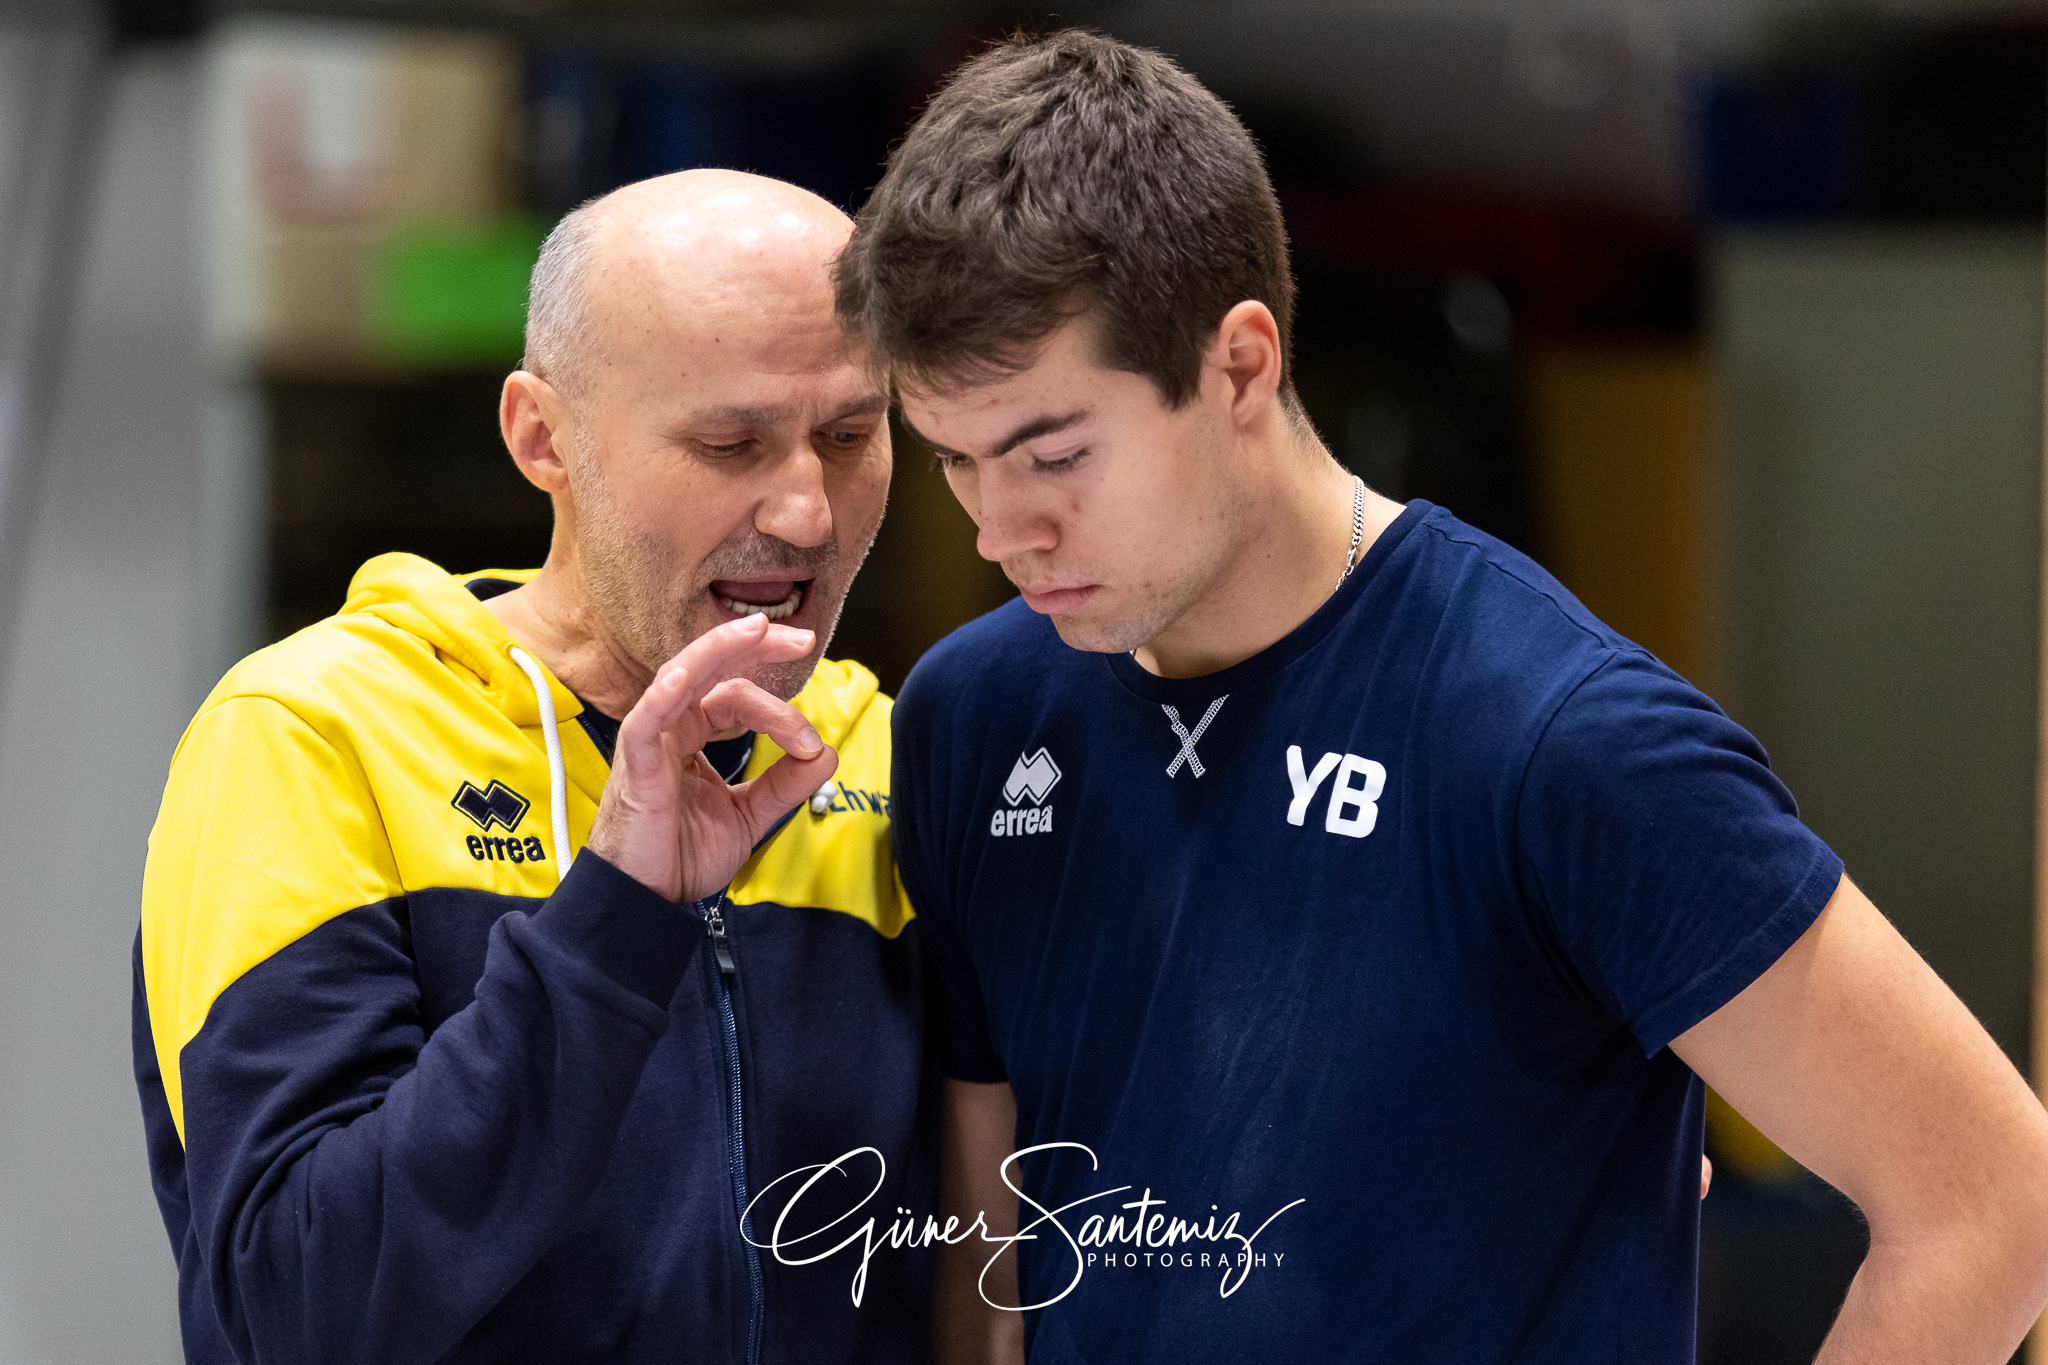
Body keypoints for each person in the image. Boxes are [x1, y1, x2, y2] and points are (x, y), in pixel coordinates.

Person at [834, 30, 2048, 1364]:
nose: (1004, 530)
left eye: (1052, 453)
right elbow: (990, 1248)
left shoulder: (1558, 739)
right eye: (954, 460)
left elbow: (1990, 1202)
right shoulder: (974, 714)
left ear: (1240, 364)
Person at [134, 170, 933, 1365]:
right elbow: (292, 1313)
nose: (809, 512)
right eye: (730, 441)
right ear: (540, 438)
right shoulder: (314, 737)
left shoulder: (884, 753)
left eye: (850, 435)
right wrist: (614, 917)